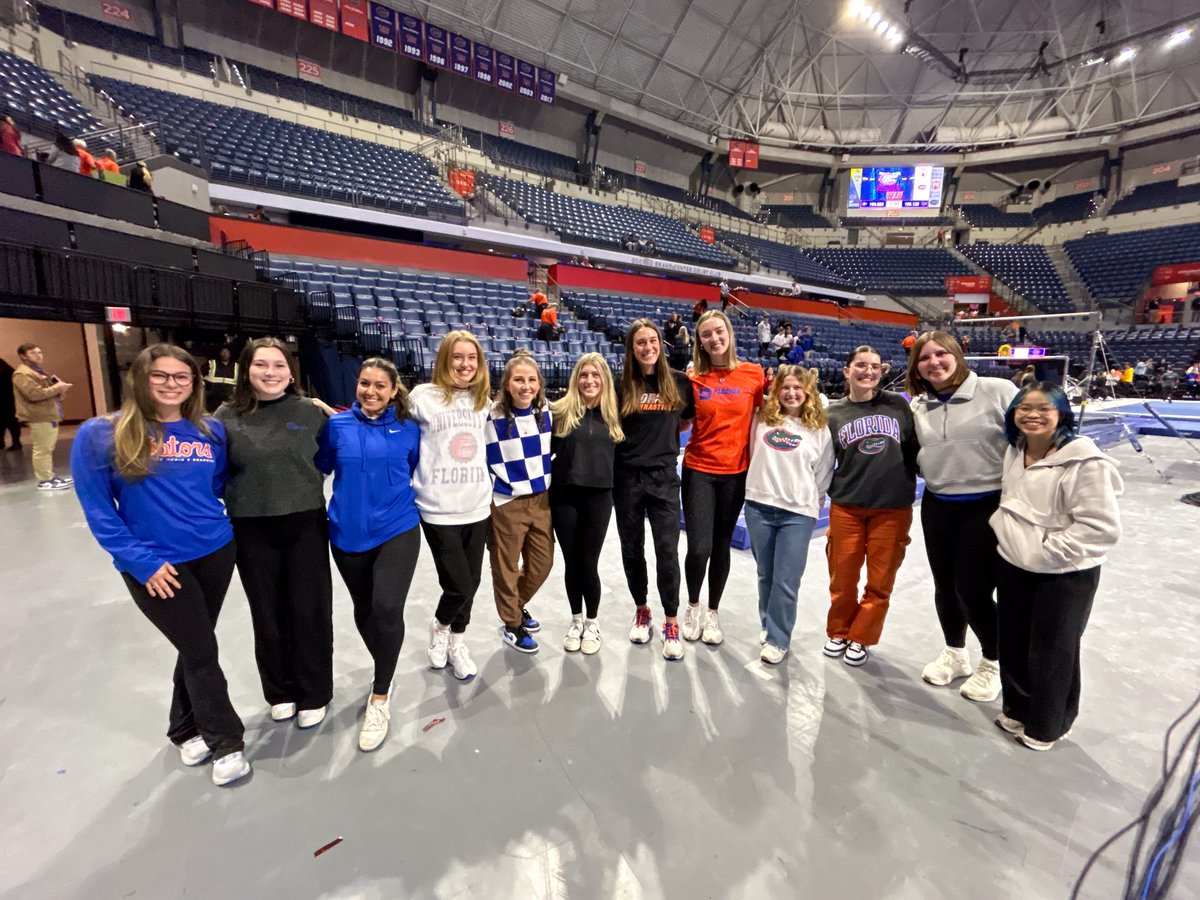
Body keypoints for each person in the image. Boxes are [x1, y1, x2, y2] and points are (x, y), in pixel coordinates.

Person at [70, 343, 249, 786]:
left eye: (181, 377)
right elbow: (99, 511)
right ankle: (226, 741)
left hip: (215, 551)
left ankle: (183, 727)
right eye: (161, 376)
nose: (172, 384)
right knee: (202, 650)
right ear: (140, 379)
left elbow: (218, 483)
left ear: (194, 383)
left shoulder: (208, 430)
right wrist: (141, 563)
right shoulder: (101, 433)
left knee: (194, 645)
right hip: (156, 565)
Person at [991, 383, 1122, 750]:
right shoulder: (1015, 451)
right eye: (1024, 408)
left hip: (1065, 572)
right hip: (1015, 563)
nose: (1033, 415)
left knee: (1053, 648)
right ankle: (1017, 707)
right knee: (1013, 639)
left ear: (1061, 414)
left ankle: (1047, 724)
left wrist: (1048, 553)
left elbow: (1101, 527)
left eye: (1044, 408)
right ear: (1013, 414)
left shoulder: (1085, 461)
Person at [215, 338, 333, 730]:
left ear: (290, 371)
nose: (270, 373)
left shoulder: (309, 411)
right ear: (246, 369)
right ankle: (279, 691)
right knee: (266, 612)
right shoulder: (226, 415)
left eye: (279, 365)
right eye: (261, 365)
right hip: (250, 524)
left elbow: (333, 455)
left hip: (305, 523)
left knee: (309, 610)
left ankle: (314, 692)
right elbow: (214, 473)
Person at [316, 358, 421, 752]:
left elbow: (412, 468)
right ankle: (387, 666)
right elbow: (322, 466)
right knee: (364, 610)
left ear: (394, 390)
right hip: (346, 534)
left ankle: (379, 696)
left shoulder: (409, 429)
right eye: (364, 384)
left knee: (387, 608)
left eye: (380, 386)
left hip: (398, 529)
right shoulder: (336, 426)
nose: (371, 392)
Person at [907, 331, 1018, 702]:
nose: (934, 362)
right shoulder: (919, 405)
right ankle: (955, 653)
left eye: (941, 354)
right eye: (925, 358)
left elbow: (1031, 438)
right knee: (944, 585)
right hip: (939, 504)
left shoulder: (997, 389)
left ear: (957, 355)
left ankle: (994, 661)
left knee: (972, 588)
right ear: (916, 366)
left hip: (986, 504)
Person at [823, 346, 918, 667]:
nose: (869, 371)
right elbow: (822, 462)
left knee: (880, 582)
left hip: (892, 509)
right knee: (842, 578)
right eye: (861, 365)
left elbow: (916, 451)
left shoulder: (898, 406)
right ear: (847, 370)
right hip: (847, 507)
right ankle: (839, 630)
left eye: (875, 366)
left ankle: (861, 637)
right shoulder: (832, 414)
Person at [409, 331, 492, 682]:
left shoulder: (483, 401)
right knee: (458, 584)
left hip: (477, 504)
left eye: (471, 358)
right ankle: (441, 626)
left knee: (471, 581)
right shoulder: (422, 398)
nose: (465, 364)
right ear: (444, 359)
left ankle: (457, 642)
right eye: (457, 357)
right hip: (437, 507)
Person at [681, 310, 764, 645]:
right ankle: (693, 605)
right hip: (699, 469)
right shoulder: (693, 377)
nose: (713, 339)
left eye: (718, 332)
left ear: (728, 333)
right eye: (706, 335)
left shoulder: (754, 374)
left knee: (721, 546)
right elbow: (681, 421)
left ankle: (713, 612)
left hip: (735, 473)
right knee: (699, 547)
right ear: (699, 342)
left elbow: (765, 417)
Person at [615, 318, 694, 660]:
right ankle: (642, 609)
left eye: (652, 341)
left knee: (667, 552)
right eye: (640, 343)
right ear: (632, 349)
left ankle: (671, 621)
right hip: (627, 478)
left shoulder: (678, 382)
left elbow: (687, 419)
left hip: (663, 477)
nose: (648, 347)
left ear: (660, 344)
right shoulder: (621, 386)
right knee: (632, 549)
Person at [744, 365, 834, 665]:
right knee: (765, 574)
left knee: (786, 579)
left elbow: (823, 473)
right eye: (786, 387)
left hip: (797, 513)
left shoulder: (819, 429)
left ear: (807, 391)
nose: (792, 393)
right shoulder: (762, 419)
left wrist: (814, 501)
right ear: (775, 390)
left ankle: (778, 639)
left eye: (798, 388)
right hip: (758, 506)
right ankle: (768, 623)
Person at [549, 354, 624, 654]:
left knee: (588, 562)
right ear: (575, 379)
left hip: (599, 497)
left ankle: (592, 622)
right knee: (572, 562)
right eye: (584, 375)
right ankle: (575, 619)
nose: (589, 380)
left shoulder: (616, 416)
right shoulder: (559, 412)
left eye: (595, 375)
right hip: (564, 496)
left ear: (604, 379)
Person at [486, 351, 554, 654]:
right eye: (518, 379)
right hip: (506, 502)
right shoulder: (490, 415)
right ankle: (512, 624)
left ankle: (516, 605)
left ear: (539, 384)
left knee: (542, 563)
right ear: (507, 383)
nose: (525, 386)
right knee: (506, 567)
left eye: (531, 380)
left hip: (541, 501)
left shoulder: (548, 411)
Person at [13, 342, 73, 491]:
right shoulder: (22, 374)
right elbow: (34, 394)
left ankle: (49, 476)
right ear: (23, 356)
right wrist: (56, 388)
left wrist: (59, 390)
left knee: (47, 447)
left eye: (40, 352)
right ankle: (45, 479)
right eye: (33, 353)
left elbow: (47, 391)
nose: (38, 355)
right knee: (42, 448)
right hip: (39, 416)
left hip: (49, 413)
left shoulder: (39, 371)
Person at [204, 347, 238, 412]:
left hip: (228, 398)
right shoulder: (211, 363)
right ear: (220, 353)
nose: (225, 354)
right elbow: (201, 377)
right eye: (223, 351)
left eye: (227, 352)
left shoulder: (237, 366)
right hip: (212, 398)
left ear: (230, 354)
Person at [0, 357, 20, 450]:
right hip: (9, 399)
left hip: (6, 399)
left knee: (8, 422)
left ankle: (14, 442)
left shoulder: (5, 373)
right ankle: (15, 442)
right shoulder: (9, 372)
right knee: (10, 421)